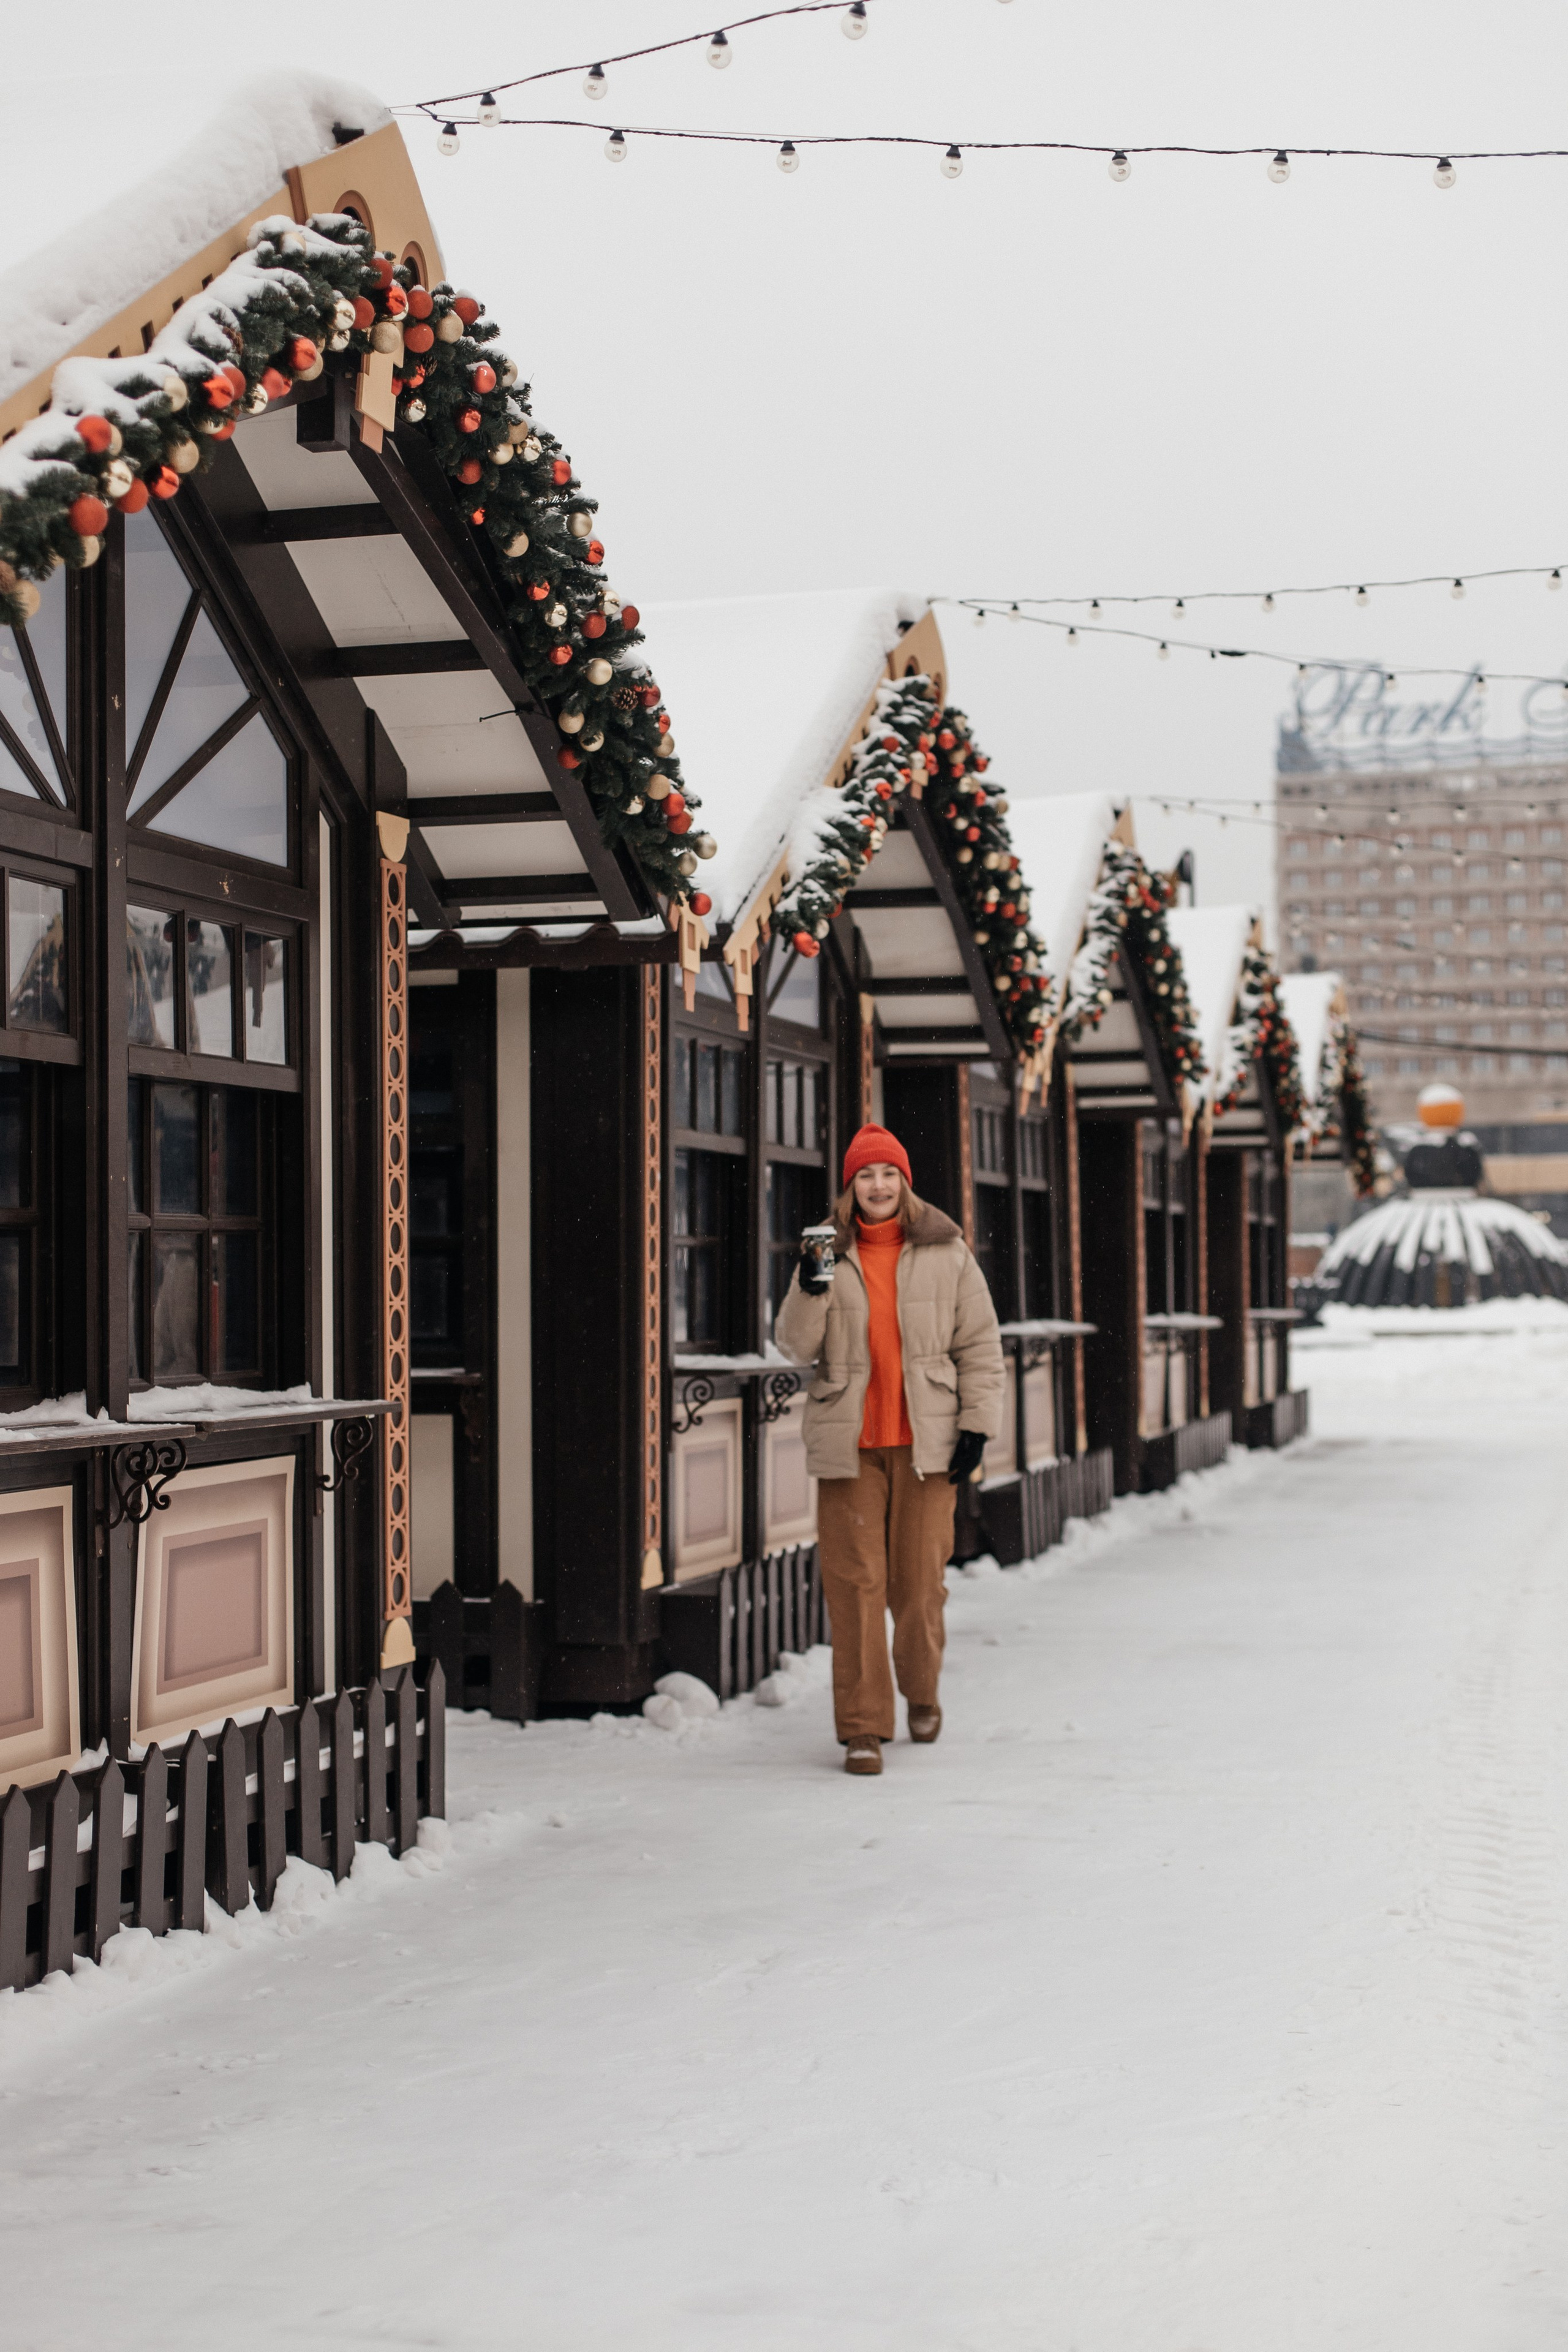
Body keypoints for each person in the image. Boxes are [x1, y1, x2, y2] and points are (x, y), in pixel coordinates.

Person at [776, 1122, 1005, 1776]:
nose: (877, 1186)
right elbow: (794, 1346)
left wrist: (976, 1427)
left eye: (887, 1174)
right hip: (849, 1447)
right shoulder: (826, 1249)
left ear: (904, 1182)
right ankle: (862, 1728)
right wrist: (809, 1286)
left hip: (926, 1448)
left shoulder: (946, 1250)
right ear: (850, 1187)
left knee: (918, 1588)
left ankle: (922, 1690)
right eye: (865, 1176)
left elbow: (980, 1348)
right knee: (854, 1587)